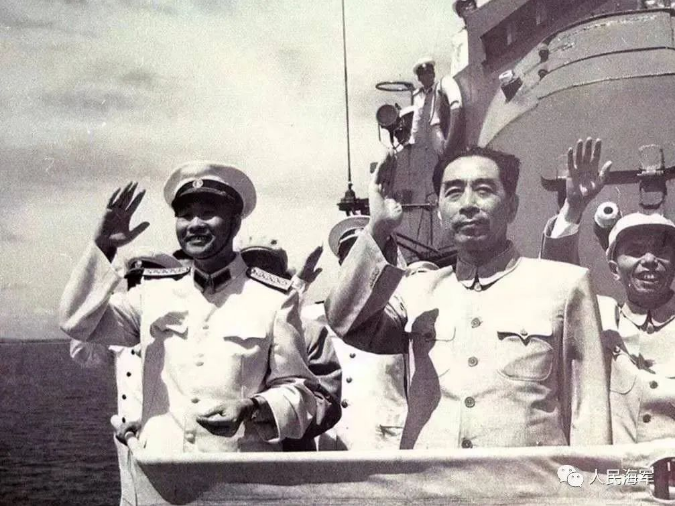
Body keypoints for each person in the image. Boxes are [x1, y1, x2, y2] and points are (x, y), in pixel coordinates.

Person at [325, 148, 611, 449]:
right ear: (439, 211)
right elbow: (345, 322)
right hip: (432, 478)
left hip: (527, 479)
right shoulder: (416, 289)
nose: (468, 204)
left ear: (512, 207)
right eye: (453, 192)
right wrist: (377, 228)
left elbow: (588, 412)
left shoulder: (564, 286)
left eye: (484, 190)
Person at [59, 162, 319, 453]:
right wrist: (103, 247)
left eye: (208, 213)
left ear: (235, 223)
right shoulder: (152, 293)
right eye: (185, 215)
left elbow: (300, 392)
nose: (195, 224)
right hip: (160, 470)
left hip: (239, 474)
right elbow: (75, 322)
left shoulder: (274, 298)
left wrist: (251, 407)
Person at [541, 138, 675, 443]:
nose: (649, 260)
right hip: (616, 471)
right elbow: (556, 280)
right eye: (636, 251)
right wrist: (573, 208)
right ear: (614, 269)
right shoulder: (601, 319)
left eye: (661, 251)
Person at [69, 250, 182, 506]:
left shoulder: (177, 328)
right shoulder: (122, 325)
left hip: (164, 440)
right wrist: (100, 302)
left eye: (144, 282)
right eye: (132, 282)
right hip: (127, 440)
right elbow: (82, 353)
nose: (137, 290)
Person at [306, 216, 408, 450]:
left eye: (369, 255)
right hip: (332, 441)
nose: (361, 264)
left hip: (383, 442)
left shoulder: (406, 312)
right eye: (351, 257)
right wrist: (300, 284)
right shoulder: (319, 316)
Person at [238, 235, 342, 451]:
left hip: (288, 458)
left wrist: (268, 413)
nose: (257, 277)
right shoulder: (216, 327)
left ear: (284, 279)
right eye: (248, 270)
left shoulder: (310, 332)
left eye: (267, 271)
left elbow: (326, 403)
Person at [451, 0, 477, 76]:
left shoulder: (487, 25)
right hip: (469, 76)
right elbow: (455, 67)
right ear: (459, 13)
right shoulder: (457, 38)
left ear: (475, 6)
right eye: (463, 6)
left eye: (469, 4)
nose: (467, 8)